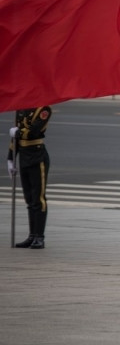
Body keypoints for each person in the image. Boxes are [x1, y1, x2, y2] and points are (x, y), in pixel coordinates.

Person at [8, 106, 53, 249]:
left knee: (38, 198)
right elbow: (15, 138)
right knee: (29, 198)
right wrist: (11, 158)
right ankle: (32, 235)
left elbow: (34, 131)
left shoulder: (44, 109)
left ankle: (40, 237)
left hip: (37, 156)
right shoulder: (20, 108)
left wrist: (18, 132)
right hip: (24, 156)